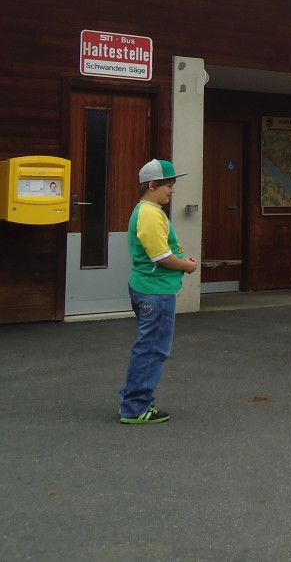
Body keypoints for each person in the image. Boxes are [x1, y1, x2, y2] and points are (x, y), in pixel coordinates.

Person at [117, 159, 198, 424]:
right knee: (152, 350)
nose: (172, 190)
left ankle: (134, 402)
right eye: (168, 184)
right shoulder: (150, 214)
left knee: (147, 347)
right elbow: (161, 256)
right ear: (152, 185)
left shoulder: (147, 211)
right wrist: (186, 266)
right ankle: (136, 407)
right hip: (156, 291)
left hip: (147, 287)